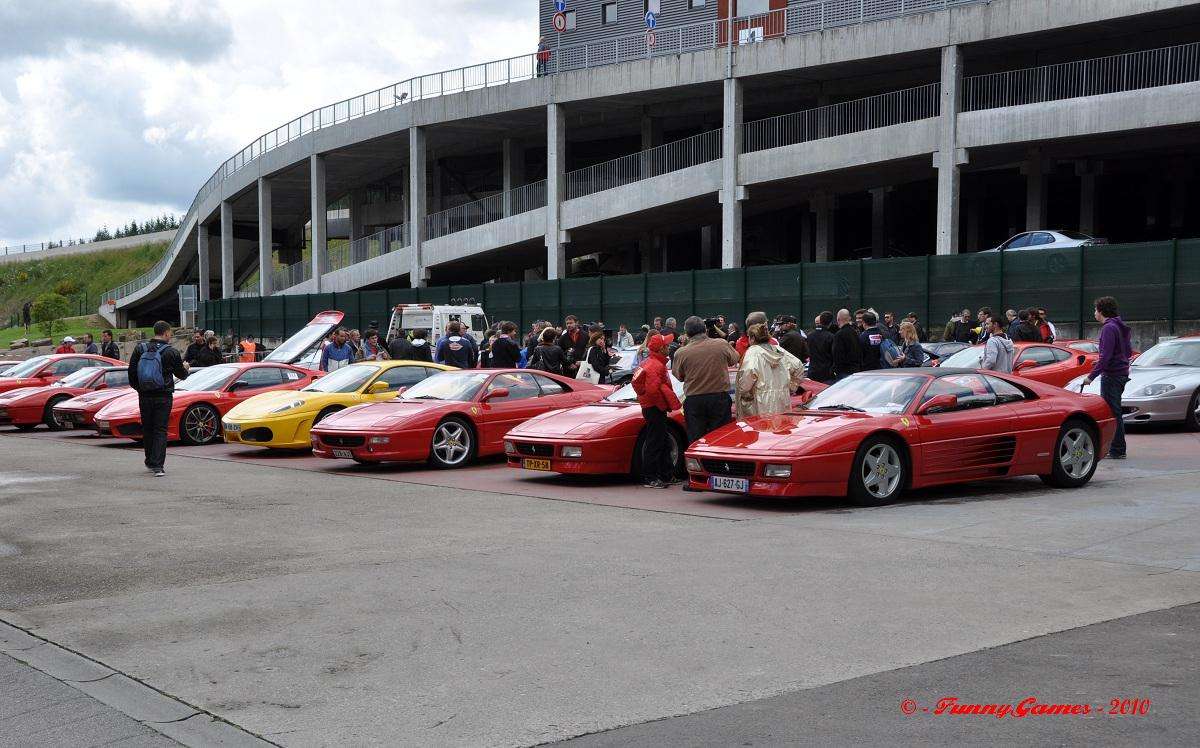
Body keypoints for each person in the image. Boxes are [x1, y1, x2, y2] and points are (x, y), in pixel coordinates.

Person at [127, 321, 188, 478]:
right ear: (167, 333)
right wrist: (186, 368)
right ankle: (158, 466)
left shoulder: (140, 349)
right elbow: (181, 375)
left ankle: (149, 460)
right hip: (163, 395)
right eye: (170, 334)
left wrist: (140, 389)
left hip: (144, 395)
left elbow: (132, 373)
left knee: (147, 427)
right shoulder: (171, 352)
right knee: (160, 429)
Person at [672, 316, 739, 452]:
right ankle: (720, 468)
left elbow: (679, 376)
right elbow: (735, 359)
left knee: (696, 440)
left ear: (687, 333)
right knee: (721, 438)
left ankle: (698, 468)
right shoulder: (720, 344)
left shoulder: (681, 353)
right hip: (719, 398)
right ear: (705, 329)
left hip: (694, 400)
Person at [1082, 296, 1132, 460]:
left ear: (1101, 311)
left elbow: (1106, 356)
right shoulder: (1118, 326)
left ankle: (1117, 449)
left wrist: (1090, 377)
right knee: (1115, 410)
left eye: (1095, 309)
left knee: (1113, 412)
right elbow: (1126, 351)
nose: (1094, 313)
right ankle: (1118, 448)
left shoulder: (1108, 328)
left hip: (1112, 375)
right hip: (1120, 372)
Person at [632, 332, 682, 489]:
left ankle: (665, 474)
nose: (668, 347)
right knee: (656, 441)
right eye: (666, 345)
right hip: (654, 408)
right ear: (661, 349)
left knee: (662, 441)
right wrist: (663, 405)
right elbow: (654, 391)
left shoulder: (648, 363)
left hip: (650, 407)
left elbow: (642, 386)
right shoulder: (656, 365)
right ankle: (651, 477)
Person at [735, 323, 804, 419]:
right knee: (780, 429)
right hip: (782, 401)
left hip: (760, 403)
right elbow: (799, 366)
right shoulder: (779, 350)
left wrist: (746, 394)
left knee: (763, 431)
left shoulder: (753, 353)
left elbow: (747, 377)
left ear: (753, 338)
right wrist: (790, 387)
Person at [831, 309, 861, 381]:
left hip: (844, 372)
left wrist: (835, 369)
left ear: (838, 319)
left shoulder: (839, 335)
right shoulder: (855, 332)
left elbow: (837, 355)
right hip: (855, 370)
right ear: (849, 318)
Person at [806, 312, 835, 383]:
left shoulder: (810, 336)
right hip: (826, 374)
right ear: (830, 323)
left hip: (812, 372)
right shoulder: (831, 337)